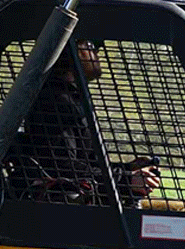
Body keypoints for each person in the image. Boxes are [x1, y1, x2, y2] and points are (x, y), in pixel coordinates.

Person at [16, 39, 160, 205]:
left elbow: (85, 163)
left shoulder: (73, 99)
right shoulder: (56, 101)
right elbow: (62, 166)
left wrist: (128, 170)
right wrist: (126, 179)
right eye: (91, 46)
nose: (98, 51)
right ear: (70, 52)